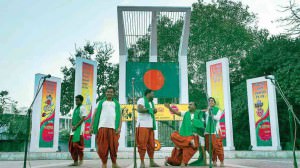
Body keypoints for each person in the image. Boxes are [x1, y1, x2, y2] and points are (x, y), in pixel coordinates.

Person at [164, 102, 206, 167]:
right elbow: (176, 112)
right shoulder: (186, 113)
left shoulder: (198, 115)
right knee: (173, 135)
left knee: (189, 149)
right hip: (184, 136)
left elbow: (201, 125)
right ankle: (188, 142)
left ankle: (181, 161)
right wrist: (169, 107)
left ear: (195, 106)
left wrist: (205, 159)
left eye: (191, 104)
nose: (189, 105)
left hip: (192, 136)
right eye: (189, 104)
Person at [90, 87, 122, 168]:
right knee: (102, 147)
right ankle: (104, 164)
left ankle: (114, 164)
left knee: (114, 147)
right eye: (108, 92)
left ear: (113, 93)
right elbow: (94, 115)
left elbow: (120, 117)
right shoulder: (100, 102)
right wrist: (91, 126)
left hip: (113, 128)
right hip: (102, 127)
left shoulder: (117, 104)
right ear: (105, 93)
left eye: (111, 92)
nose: (109, 93)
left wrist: (119, 127)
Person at [136, 89, 160, 168]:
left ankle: (151, 162)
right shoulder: (142, 100)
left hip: (150, 126)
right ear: (148, 94)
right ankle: (142, 162)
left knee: (151, 145)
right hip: (142, 125)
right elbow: (139, 109)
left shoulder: (151, 103)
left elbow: (151, 111)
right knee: (142, 145)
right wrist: (150, 109)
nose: (153, 95)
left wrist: (154, 110)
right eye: (152, 94)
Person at [204, 97, 224, 167]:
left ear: (214, 103)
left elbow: (217, 118)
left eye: (212, 101)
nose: (211, 102)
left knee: (217, 146)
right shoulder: (207, 111)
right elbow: (205, 120)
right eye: (209, 101)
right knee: (209, 147)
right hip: (207, 131)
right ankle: (214, 160)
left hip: (215, 131)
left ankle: (221, 161)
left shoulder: (218, 110)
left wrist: (211, 114)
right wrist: (208, 111)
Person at [69, 95, 87, 166]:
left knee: (76, 145)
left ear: (81, 101)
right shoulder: (75, 109)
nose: (76, 101)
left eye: (78, 100)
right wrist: (71, 126)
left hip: (79, 130)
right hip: (73, 130)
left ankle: (81, 160)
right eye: (75, 100)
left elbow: (83, 119)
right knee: (72, 147)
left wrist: (76, 126)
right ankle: (75, 161)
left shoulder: (82, 108)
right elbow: (72, 119)